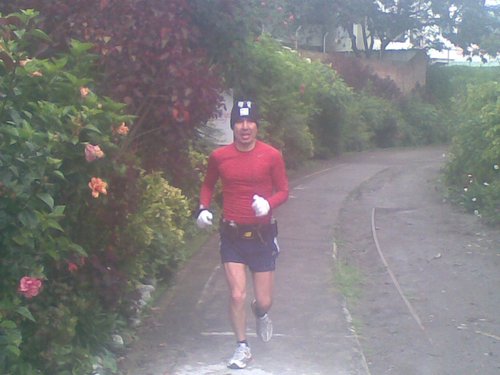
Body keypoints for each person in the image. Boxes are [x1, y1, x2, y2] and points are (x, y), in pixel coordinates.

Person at [196, 99, 289, 369]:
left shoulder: (271, 155)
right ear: (233, 126)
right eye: (239, 122)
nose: (245, 127)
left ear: (257, 126)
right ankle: (242, 347)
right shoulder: (220, 157)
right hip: (232, 235)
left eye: (250, 122)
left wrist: (268, 203)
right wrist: (202, 209)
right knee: (236, 294)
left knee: (264, 301)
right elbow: (207, 185)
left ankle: (260, 313)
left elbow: (283, 190)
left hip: (262, 236)